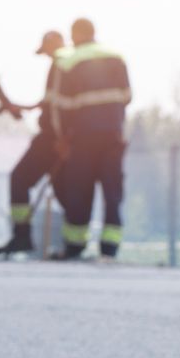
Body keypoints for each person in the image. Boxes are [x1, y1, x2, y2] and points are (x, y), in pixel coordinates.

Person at [47, 18, 131, 260]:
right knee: (112, 192)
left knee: (79, 191)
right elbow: (126, 96)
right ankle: (110, 248)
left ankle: (75, 245)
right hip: (113, 135)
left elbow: (60, 106)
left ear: (74, 35)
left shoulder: (67, 60)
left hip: (82, 138)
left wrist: (62, 138)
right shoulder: (116, 57)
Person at [0, 30, 67, 256]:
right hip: (59, 137)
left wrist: (61, 137)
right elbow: (47, 104)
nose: (46, 56)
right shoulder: (62, 66)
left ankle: (22, 235)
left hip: (52, 138)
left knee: (20, 179)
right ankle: (72, 244)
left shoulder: (61, 65)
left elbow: (55, 107)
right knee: (64, 189)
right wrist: (19, 107)